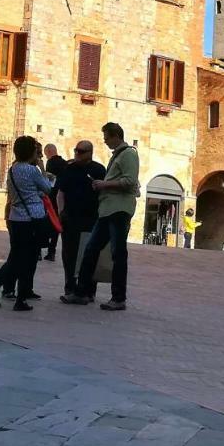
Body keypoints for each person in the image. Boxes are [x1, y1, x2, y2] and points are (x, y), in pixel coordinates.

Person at [63, 122, 140, 311]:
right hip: (107, 210)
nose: (105, 141)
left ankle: (118, 298)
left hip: (119, 210)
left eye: (106, 137)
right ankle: (82, 292)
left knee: (118, 253)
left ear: (115, 136)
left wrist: (104, 185)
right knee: (91, 250)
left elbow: (130, 181)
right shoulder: (117, 156)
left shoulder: (129, 154)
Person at [0, 136, 53, 310]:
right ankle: (3, 291)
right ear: (31, 152)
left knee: (17, 257)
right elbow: (48, 188)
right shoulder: (32, 170)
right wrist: (42, 169)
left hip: (16, 217)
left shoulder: (12, 169)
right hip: (32, 219)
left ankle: (5, 291)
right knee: (25, 259)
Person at [54, 140, 106, 297]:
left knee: (90, 254)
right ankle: (70, 286)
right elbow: (60, 192)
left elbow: (105, 193)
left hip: (91, 219)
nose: (77, 153)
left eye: (81, 151)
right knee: (69, 254)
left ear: (90, 153)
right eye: (76, 150)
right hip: (70, 218)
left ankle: (89, 290)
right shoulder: (68, 169)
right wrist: (61, 211)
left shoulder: (99, 170)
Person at [41, 144, 66, 261]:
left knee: (44, 223)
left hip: (51, 198)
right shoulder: (65, 163)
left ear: (49, 152)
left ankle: (39, 251)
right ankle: (52, 251)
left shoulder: (51, 163)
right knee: (56, 225)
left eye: (46, 154)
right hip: (61, 198)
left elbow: (49, 182)